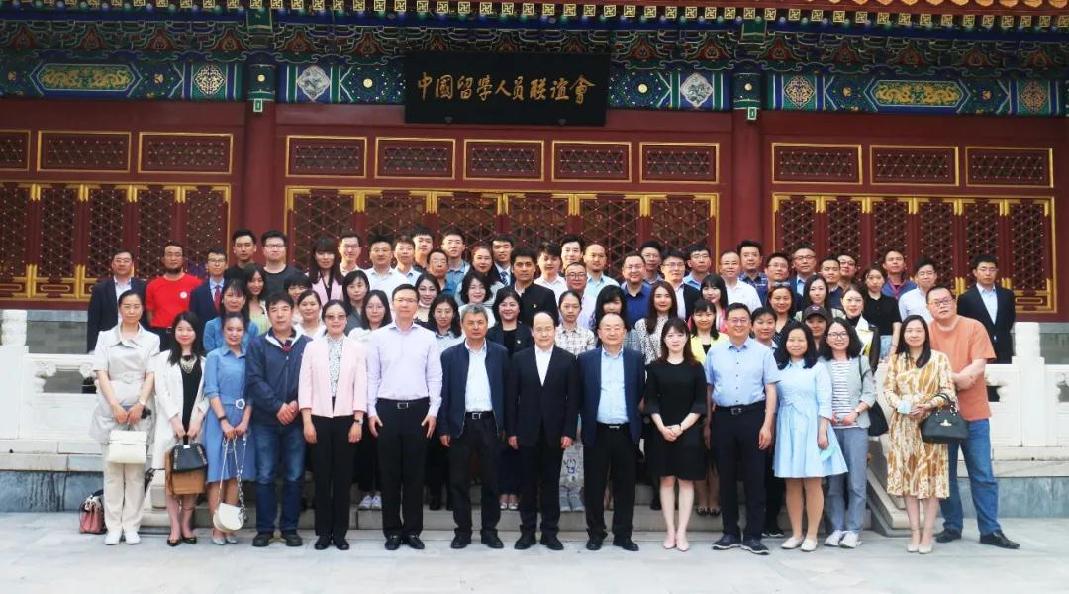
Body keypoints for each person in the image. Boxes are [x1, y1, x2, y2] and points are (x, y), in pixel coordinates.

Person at [927, 287, 1019, 549]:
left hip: (975, 412)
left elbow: (979, 365)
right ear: (928, 307)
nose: (942, 305)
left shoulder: (974, 327)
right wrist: (958, 379)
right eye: (936, 302)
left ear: (954, 302)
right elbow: (925, 368)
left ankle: (990, 530)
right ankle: (952, 526)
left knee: (983, 474)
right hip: (941, 414)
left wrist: (955, 378)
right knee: (945, 475)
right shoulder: (926, 331)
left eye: (946, 300)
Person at [367, 284, 443, 551]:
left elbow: (435, 376)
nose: (405, 304)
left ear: (417, 305)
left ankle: (412, 531)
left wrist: (433, 410)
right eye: (401, 300)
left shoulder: (428, 337)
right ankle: (392, 531)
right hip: (386, 410)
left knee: (415, 474)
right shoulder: (378, 337)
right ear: (392, 303)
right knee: (389, 474)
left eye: (411, 300)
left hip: (419, 411)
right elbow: (372, 376)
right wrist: (371, 410)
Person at [705, 303, 781, 554]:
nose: (738, 324)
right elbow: (709, 389)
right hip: (723, 418)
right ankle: (730, 532)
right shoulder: (715, 352)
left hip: (753, 417)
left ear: (750, 324)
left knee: (755, 477)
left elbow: (771, 390)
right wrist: (708, 423)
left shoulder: (763, 352)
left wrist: (767, 425)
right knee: (725, 477)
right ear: (725, 324)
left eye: (743, 320)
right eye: (733, 320)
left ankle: (753, 535)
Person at [89, 290, 159, 545]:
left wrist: (140, 403)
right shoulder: (105, 337)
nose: (131, 311)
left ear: (142, 309)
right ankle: (113, 526)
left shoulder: (151, 339)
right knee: (112, 470)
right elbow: (101, 372)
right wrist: (115, 405)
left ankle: (131, 525)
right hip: (111, 409)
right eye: (127, 306)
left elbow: (151, 374)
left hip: (140, 410)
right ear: (119, 308)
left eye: (136, 306)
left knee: (136, 471)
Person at [438, 304, 510, 549]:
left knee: (492, 481)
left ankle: (490, 531)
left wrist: (507, 427)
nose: (476, 327)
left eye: (480, 322)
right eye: (471, 323)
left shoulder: (500, 353)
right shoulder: (449, 356)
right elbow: (443, 394)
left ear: (487, 325)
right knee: (458, 482)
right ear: (462, 325)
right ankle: (463, 531)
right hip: (461, 424)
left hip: (491, 424)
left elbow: (508, 393)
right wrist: (444, 428)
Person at [508, 312, 580, 550]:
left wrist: (569, 431)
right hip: (525, 431)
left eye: (548, 328)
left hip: (555, 433)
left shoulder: (567, 360)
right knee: (527, 484)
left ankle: (550, 532)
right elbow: (511, 399)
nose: (543, 333)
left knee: (550, 484)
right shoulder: (519, 358)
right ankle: (527, 532)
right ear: (532, 332)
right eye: (538, 329)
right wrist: (512, 431)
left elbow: (573, 400)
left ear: (555, 330)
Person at [772, 323, 846, 552]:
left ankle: (812, 534)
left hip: (813, 426)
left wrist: (822, 431)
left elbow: (825, 401)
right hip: (787, 426)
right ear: (784, 342)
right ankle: (796, 533)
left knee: (813, 482)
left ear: (809, 343)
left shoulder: (817, 368)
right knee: (792, 482)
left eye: (801, 340)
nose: (796, 344)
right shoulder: (778, 368)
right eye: (791, 340)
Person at [299, 300, 367, 551]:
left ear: (346, 320)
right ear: (324, 319)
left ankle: (340, 532)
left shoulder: (356, 348)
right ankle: (323, 533)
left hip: (347, 417)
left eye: (340, 316)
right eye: (331, 316)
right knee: (322, 477)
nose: (336, 321)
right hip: (318, 417)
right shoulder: (312, 347)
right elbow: (305, 385)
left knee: (342, 478)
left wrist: (358, 420)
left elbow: (361, 385)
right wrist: (307, 421)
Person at [884, 315, 955, 554]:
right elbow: (888, 390)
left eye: (918, 330)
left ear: (925, 333)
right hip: (903, 427)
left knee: (931, 482)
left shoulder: (939, 359)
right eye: (909, 331)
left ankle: (927, 533)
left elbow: (948, 391)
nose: (914, 334)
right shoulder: (896, 360)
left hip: (931, 426)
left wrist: (927, 405)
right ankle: (914, 531)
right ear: (903, 334)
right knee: (909, 481)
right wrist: (904, 406)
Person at [245, 293, 311, 547]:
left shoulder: (306, 344)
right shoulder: (257, 344)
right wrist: (277, 406)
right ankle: (264, 529)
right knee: (265, 475)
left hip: (296, 420)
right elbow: (254, 380)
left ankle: (289, 528)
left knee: (294, 475)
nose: (280, 314)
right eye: (274, 309)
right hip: (265, 420)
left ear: (293, 312)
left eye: (285, 309)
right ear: (268, 313)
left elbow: (312, 379)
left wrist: (295, 403)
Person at [578, 313, 646, 552]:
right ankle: (596, 533)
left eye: (617, 327)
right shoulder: (585, 360)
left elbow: (640, 392)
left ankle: (623, 534)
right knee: (594, 486)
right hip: (597, 431)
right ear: (599, 332)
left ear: (625, 332)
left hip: (626, 432)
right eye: (607, 328)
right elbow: (579, 394)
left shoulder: (636, 359)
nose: (612, 332)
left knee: (625, 487)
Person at [645, 318, 708, 551]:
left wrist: (681, 427)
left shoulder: (695, 367)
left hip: (688, 432)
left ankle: (682, 532)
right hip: (661, 431)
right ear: (663, 339)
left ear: (687, 337)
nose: (675, 339)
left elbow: (700, 403)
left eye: (680, 335)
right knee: (666, 480)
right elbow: (651, 401)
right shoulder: (655, 367)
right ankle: (670, 531)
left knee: (686, 481)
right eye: (670, 335)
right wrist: (662, 428)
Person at [151, 312, 207, 546]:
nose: (185, 334)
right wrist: (175, 420)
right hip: (170, 426)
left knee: (192, 478)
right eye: (180, 329)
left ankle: (186, 524)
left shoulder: (205, 361)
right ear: (173, 331)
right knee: (171, 480)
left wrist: (198, 420)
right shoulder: (163, 358)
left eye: (189, 329)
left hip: (195, 427)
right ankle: (174, 526)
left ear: (196, 332)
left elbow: (208, 393)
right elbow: (161, 391)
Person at [822, 320, 876, 549]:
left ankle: (853, 530)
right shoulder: (821, 364)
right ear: (826, 339)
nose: (838, 338)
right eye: (833, 334)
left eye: (842, 334)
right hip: (831, 429)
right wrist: (827, 414)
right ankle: (836, 528)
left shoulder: (861, 361)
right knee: (833, 482)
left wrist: (855, 412)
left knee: (856, 481)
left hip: (856, 428)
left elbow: (870, 393)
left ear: (850, 336)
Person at [203, 312, 255, 546]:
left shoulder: (249, 357)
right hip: (219, 419)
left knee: (235, 474)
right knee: (218, 475)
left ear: (245, 332)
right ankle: (217, 528)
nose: (234, 334)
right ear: (222, 331)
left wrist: (245, 421)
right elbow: (211, 390)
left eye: (239, 330)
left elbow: (252, 391)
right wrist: (223, 421)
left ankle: (230, 525)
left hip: (243, 420)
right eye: (230, 329)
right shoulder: (214, 356)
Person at [422, 292, 461, 510]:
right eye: (439, 311)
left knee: (453, 449)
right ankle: (435, 493)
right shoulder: (425, 335)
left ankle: (454, 494)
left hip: (454, 396)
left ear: (454, 314)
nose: (443, 315)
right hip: (429, 396)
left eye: (448, 311)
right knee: (433, 448)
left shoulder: (460, 337)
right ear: (433, 313)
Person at [688, 300, 724, 518]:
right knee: (698, 455)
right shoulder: (686, 340)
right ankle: (702, 499)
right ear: (693, 316)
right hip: (692, 405)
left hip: (720, 405)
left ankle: (714, 499)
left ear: (715, 316)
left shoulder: (725, 340)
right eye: (700, 314)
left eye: (708, 314)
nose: (704, 318)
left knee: (717, 456)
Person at [956, 254, 1016, 364]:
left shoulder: (1007, 295)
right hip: (978, 349)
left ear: (996, 271)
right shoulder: (965, 298)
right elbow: (963, 325)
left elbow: (1010, 319)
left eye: (992, 269)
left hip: (1004, 349)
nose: (988, 273)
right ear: (975, 272)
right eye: (983, 269)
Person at [86, 249, 147, 353]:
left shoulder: (143, 287)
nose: (122, 264)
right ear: (112, 264)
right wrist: (92, 348)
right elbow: (93, 321)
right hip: (109, 341)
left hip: (137, 340)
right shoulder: (100, 289)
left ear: (132, 264)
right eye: (118, 260)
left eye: (126, 261)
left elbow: (146, 317)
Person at [145, 241, 202, 349]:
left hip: (186, 335)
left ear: (183, 259)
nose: (173, 258)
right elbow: (150, 315)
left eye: (177, 255)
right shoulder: (152, 285)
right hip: (160, 335)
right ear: (163, 259)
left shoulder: (196, 283)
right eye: (169, 254)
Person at [203, 277, 260, 352]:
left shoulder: (252, 328)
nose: (234, 300)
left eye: (238, 296)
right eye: (230, 295)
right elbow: (210, 355)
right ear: (222, 298)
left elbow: (254, 354)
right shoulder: (211, 326)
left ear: (244, 300)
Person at [862, 266, 901, 361]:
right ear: (865, 281)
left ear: (884, 280)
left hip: (889, 344)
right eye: (871, 278)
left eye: (878, 278)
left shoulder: (891, 301)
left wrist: (893, 349)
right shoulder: (861, 301)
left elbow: (897, 326)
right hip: (867, 344)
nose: (875, 281)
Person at [631, 280, 676, 364]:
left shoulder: (681, 323)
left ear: (673, 299)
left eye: (667, 296)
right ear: (652, 299)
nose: (663, 300)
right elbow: (637, 356)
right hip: (649, 370)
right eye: (658, 296)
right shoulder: (641, 324)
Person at [512, 247, 558, 326]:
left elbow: (553, 325)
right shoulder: (503, 292)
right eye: (519, 265)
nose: (524, 269)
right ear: (512, 269)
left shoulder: (547, 294)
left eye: (528, 264)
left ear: (534, 268)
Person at [840, 286, 880, 368]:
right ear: (842, 301)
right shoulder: (834, 327)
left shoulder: (872, 330)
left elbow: (873, 363)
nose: (853, 304)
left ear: (863, 303)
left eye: (858, 300)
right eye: (849, 300)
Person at [189, 247, 228, 330]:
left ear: (226, 265)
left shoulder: (233, 289)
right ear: (206, 265)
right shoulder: (197, 293)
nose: (217, 264)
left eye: (220, 261)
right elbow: (193, 322)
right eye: (213, 260)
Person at [489, 288, 534, 355]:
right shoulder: (490, 334)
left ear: (519, 308)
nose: (508, 308)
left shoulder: (527, 332)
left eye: (512, 305)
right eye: (504, 305)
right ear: (497, 308)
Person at [260, 230, 302, 298]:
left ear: (285, 249)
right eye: (271, 246)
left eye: (279, 246)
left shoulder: (296, 274)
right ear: (263, 250)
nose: (275, 249)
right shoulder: (257, 275)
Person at [661, 250, 700, 319]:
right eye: (671, 265)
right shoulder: (653, 291)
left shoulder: (695, 293)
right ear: (662, 268)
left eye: (680, 265)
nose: (676, 268)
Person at [556, 291, 596, 355]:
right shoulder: (552, 334)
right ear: (559, 309)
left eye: (575, 307)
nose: (570, 311)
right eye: (566, 306)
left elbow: (590, 359)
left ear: (580, 309)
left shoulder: (588, 335)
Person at [898, 258, 938, 322]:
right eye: (922, 274)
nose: (926, 277)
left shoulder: (943, 296)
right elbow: (903, 323)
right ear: (916, 277)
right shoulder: (906, 298)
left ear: (935, 275)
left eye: (929, 273)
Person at [309, 237, 344, 304]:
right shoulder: (306, 278)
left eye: (330, 253)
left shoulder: (343, 279)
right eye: (321, 253)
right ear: (314, 256)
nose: (326, 257)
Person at [620, 252, 650, 328]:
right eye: (630, 267)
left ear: (645, 270)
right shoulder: (618, 295)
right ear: (623, 271)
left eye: (638, 267)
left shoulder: (653, 294)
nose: (634, 270)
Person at [442, 229, 470, 295]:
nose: (453, 246)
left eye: (457, 242)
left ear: (463, 247)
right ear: (442, 247)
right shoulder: (434, 270)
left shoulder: (470, 270)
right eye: (449, 242)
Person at [244, 266, 270, 335]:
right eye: (252, 281)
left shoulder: (267, 304)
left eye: (260, 280)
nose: (256, 285)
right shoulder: (239, 305)